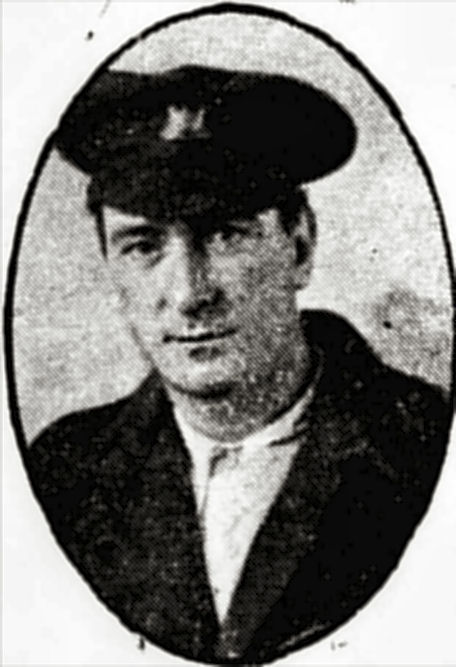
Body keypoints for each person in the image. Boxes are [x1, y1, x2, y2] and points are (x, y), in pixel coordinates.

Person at [26, 65, 450, 664]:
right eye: (143, 246)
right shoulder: (64, 472)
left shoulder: (428, 446)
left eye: (226, 235)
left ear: (299, 247)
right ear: (109, 266)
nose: (189, 293)